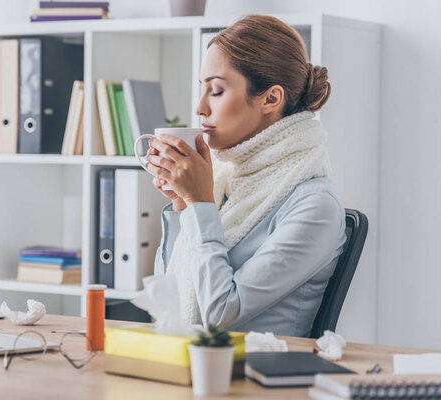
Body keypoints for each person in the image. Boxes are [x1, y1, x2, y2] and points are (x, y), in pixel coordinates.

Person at [146, 15, 346, 337]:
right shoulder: (228, 180)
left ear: (271, 99)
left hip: (254, 378)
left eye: (217, 91)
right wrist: (183, 206)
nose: (199, 108)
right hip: (188, 367)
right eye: (202, 89)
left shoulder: (316, 208)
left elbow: (220, 315)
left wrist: (200, 203)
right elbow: (170, 296)